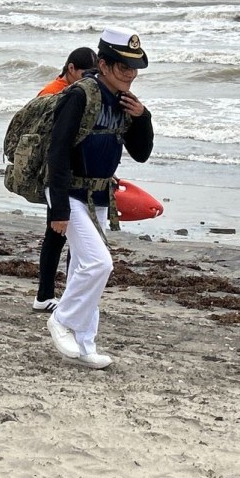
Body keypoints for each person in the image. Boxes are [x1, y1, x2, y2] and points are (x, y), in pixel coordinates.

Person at [44, 27, 153, 369]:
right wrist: (58, 208)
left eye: (134, 68)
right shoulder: (79, 95)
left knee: (83, 266)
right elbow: (57, 151)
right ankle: (61, 319)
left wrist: (142, 117)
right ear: (103, 65)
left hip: (100, 196)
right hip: (70, 192)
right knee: (99, 264)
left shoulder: (124, 102)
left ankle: (85, 345)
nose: (130, 75)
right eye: (123, 67)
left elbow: (141, 153)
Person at [32, 47, 98, 312]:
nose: (90, 79)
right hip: (57, 175)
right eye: (85, 73)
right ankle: (45, 296)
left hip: (77, 175)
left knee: (69, 239)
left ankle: (66, 295)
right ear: (70, 69)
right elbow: (49, 141)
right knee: (56, 235)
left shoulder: (81, 93)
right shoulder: (53, 93)